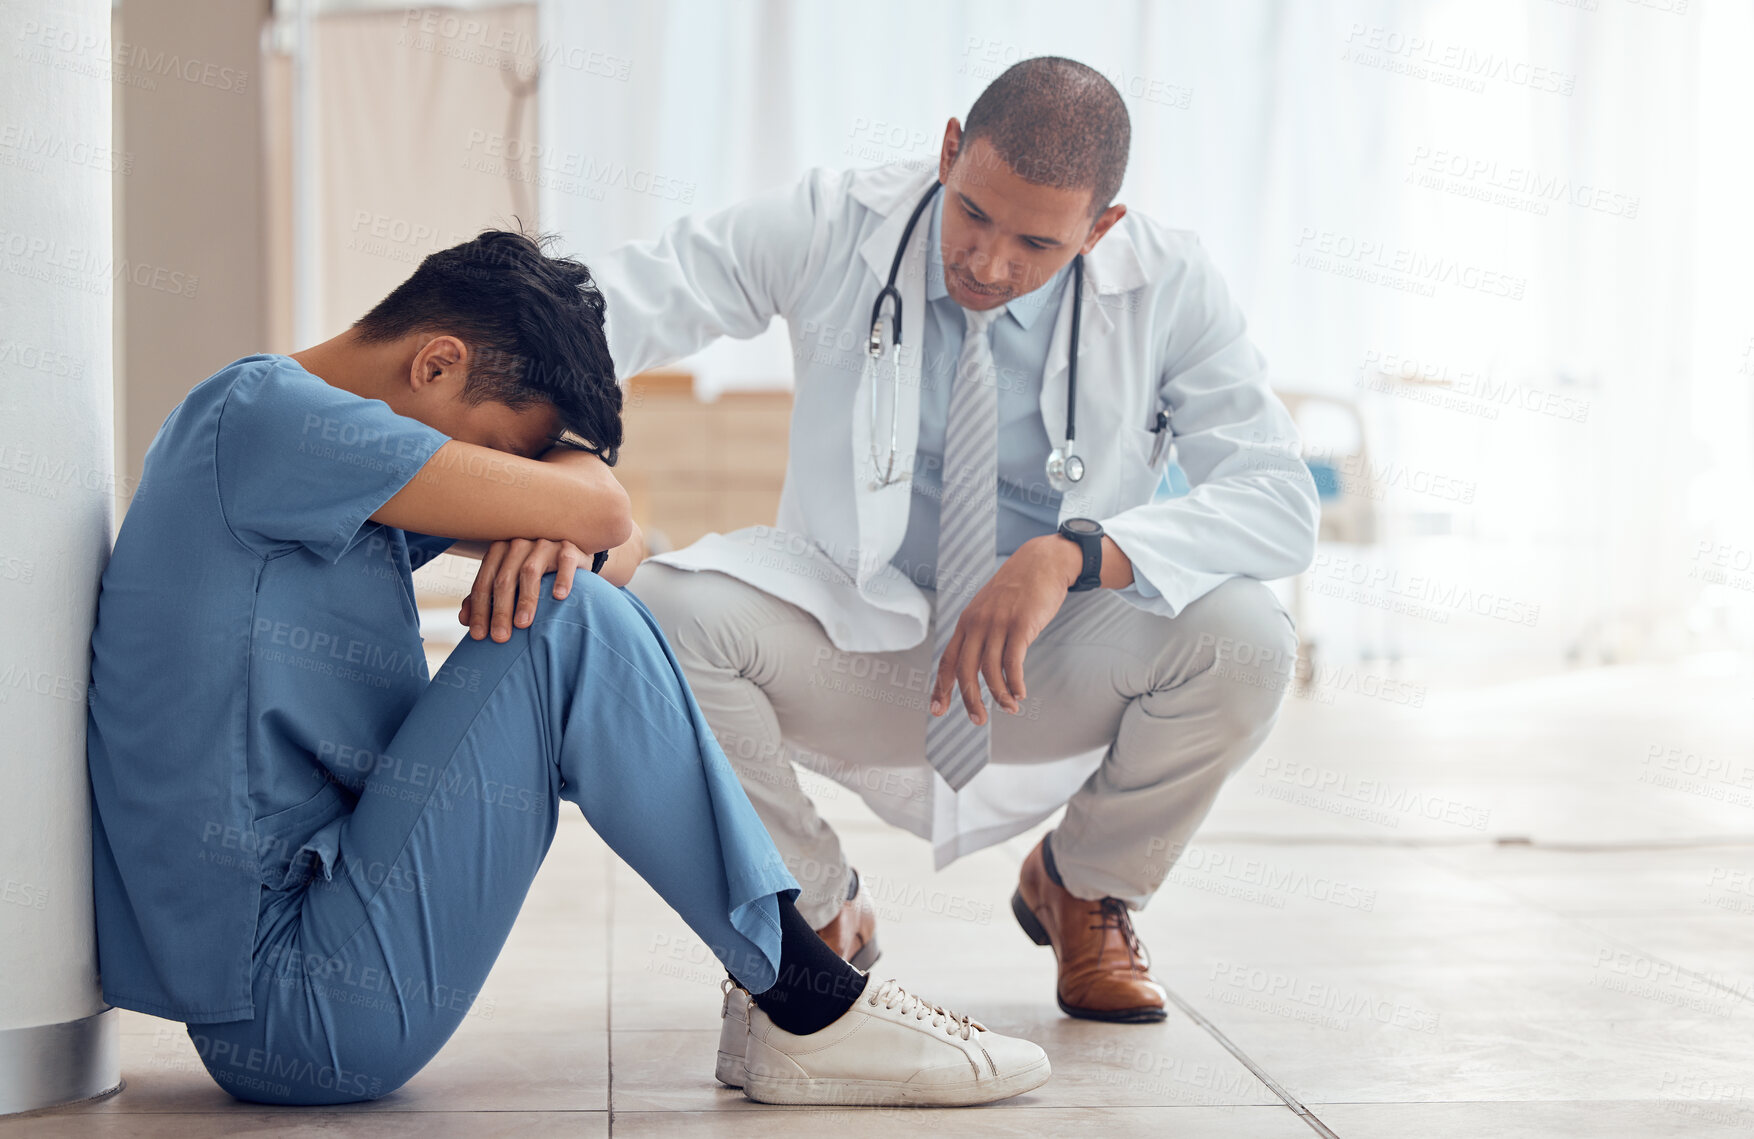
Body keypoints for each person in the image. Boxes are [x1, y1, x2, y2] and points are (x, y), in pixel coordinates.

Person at [84, 231, 1050, 1108]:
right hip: (298, 1001)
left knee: (579, 600)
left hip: (315, 967)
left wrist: (553, 514)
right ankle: (807, 1000)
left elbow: (612, 537)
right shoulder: (270, 418)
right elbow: (603, 524)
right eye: (503, 456)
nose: (504, 484)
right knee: (570, 616)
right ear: (436, 362)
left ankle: (796, 987)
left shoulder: (308, 455)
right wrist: (563, 519)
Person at [598, 57, 1319, 1028]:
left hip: (1040, 659)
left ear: (1100, 228)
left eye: (1034, 241)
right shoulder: (837, 222)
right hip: (851, 636)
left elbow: (1275, 496)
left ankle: (1086, 884)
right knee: (661, 614)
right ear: (947, 151)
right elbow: (620, 308)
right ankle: (815, 908)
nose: (987, 261)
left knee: (1248, 641)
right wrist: (535, 449)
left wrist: (1070, 553)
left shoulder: (1170, 284)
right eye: (972, 213)